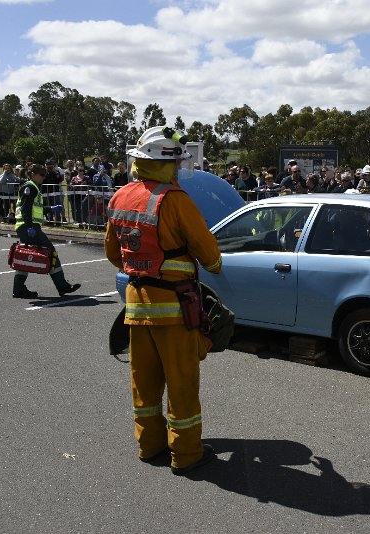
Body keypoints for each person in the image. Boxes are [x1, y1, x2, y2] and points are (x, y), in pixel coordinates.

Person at [105, 126, 223, 475]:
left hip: (136, 306)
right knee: (181, 382)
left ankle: (149, 445)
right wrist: (214, 265)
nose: (177, 171)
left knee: (144, 381)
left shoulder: (119, 198)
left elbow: (114, 253)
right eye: (175, 164)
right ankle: (186, 453)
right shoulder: (175, 200)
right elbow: (208, 252)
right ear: (166, 164)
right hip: (175, 309)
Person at [12, 164, 81, 298]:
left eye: (44, 175)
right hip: (29, 227)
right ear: (33, 174)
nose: (43, 177)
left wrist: (51, 209)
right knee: (51, 253)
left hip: (26, 227)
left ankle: (18, 288)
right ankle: (62, 286)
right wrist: (30, 226)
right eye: (41, 174)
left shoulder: (33, 187)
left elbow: (36, 208)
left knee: (24, 255)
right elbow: (26, 209)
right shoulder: (30, 187)